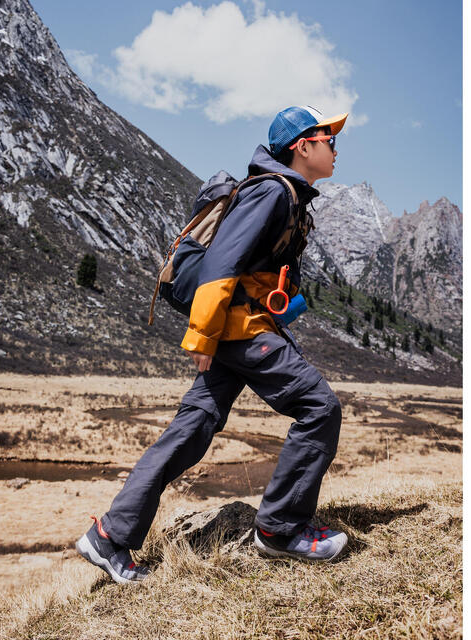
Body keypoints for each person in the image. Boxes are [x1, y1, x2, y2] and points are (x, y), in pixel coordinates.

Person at [76, 106, 349, 584]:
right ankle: (281, 531)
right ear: (303, 146)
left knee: (191, 429)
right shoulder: (271, 192)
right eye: (329, 138)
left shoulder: (288, 197)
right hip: (239, 331)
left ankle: (109, 536)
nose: (335, 147)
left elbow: (252, 270)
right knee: (320, 407)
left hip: (241, 328)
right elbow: (222, 262)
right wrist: (202, 334)